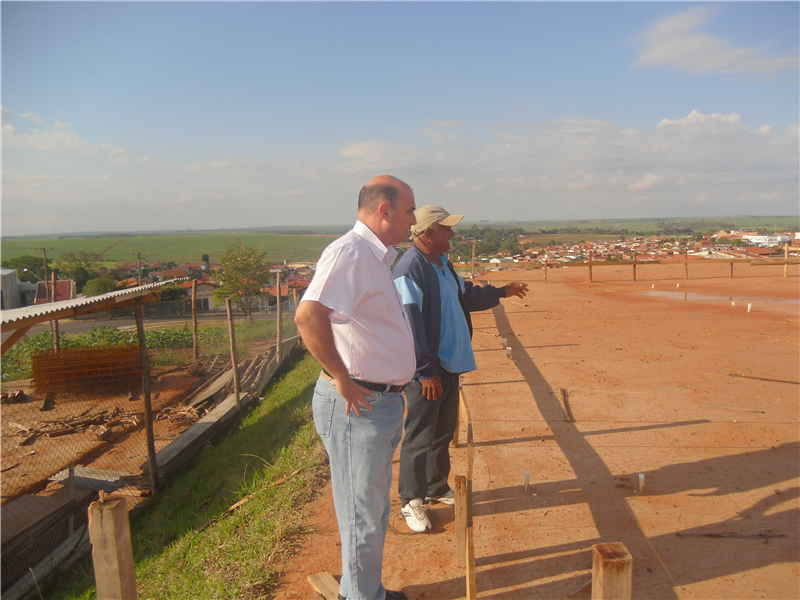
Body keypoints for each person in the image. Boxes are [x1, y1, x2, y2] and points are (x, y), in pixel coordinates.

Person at [294, 175, 417, 600]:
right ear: (384, 210)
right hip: (358, 404)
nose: (414, 219)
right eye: (409, 210)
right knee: (361, 514)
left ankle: (364, 591)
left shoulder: (376, 256)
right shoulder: (350, 252)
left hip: (379, 404)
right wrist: (342, 378)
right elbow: (309, 317)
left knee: (373, 510)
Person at [392, 205, 528, 532]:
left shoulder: (442, 264)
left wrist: (500, 292)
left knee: (443, 429)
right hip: (429, 370)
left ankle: (436, 486)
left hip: (449, 364)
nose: (452, 234)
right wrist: (425, 372)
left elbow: (464, 296)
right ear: (427, 234)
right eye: (446, 229)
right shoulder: (410, 269)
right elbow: (411, 325)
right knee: (420, 433)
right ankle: (411, 500)